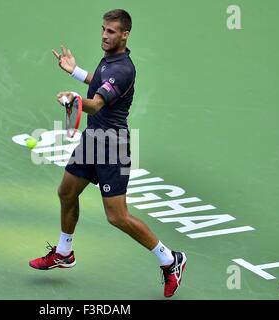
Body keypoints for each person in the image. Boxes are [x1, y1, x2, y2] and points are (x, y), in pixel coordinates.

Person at [29, 9, 187, 298]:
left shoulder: (124, 69)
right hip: (93, 140)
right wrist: (75, 71)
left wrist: (75, 99)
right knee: (66, 192)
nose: (104, 35)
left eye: (111, 31)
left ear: (125, 34)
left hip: (112, 148)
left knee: (117, 217)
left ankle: (170, 259)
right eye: (103, 29)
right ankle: (64, 252)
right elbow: (99, 83)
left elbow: (97, 104)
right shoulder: (110, 61)